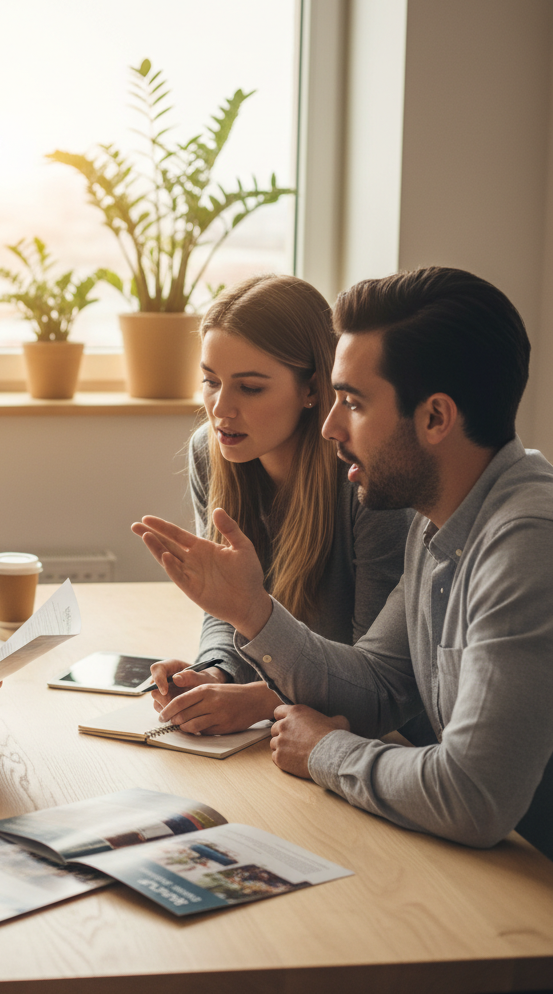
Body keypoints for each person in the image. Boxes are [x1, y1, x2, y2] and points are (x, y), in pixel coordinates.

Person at [133, 266, 553, 859]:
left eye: (351, 403)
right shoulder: (440, 518)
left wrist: (325, 751)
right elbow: (380, 684)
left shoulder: (526, 542)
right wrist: (250, 612)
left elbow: (474, 797)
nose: (329, 425)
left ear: (435, 418)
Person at [146, 275, 420, 741]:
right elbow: (227, 607)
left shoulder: (365, 479)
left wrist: (259, 698)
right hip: (294, 723)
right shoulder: (208, 453)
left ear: (312, 388)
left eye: (250, 388)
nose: (220, 410)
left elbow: (375, 675)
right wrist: (214, 673)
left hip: (393, 738)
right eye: (211, 382)